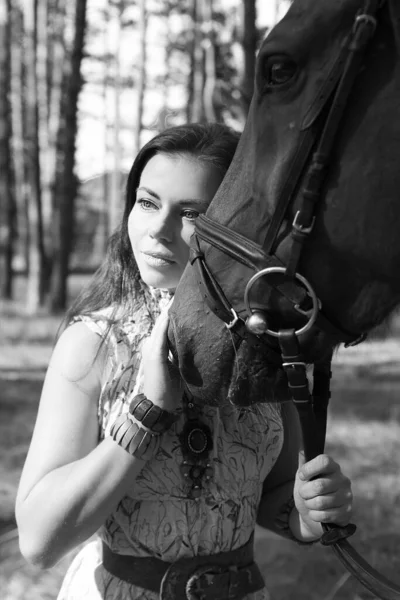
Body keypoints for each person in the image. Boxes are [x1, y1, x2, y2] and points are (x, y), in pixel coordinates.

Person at [16, 123, 353, 600]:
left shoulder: (271, 344)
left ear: (237, 225)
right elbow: (38, 540)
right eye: (147, 202)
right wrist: (147, 412)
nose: (157, 228)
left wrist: (308, 511)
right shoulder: (94, 342)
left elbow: (274, 494)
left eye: (190, 213)